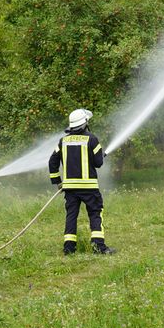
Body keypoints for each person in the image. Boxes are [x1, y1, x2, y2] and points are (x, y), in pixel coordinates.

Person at [48, 109, 116, 255]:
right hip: (89, 187)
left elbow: (52, 161)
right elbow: (98, 163)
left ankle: (69, 248)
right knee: (95, 214)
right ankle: (98, 247)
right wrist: (100, 156)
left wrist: (57, 181)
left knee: (71, 215)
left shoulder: (63, 140)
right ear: (85, 123)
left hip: (70, 188)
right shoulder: (92, 139)